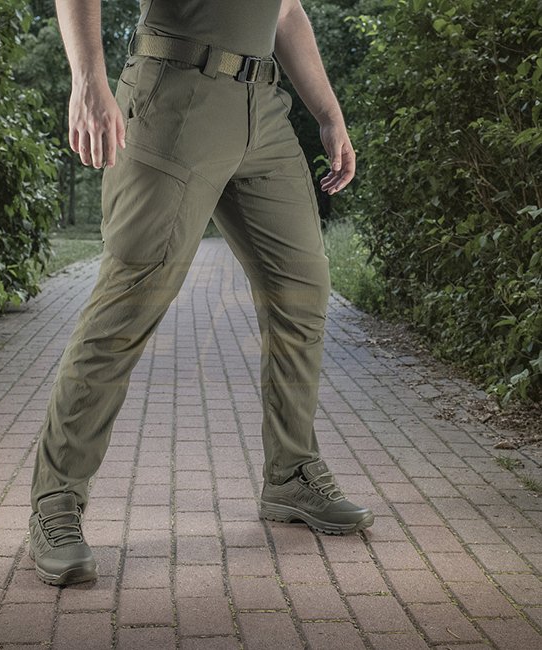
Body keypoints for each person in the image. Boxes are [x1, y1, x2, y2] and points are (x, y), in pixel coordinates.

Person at [28, 0, 374, 586]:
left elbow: (286, 10)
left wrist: (329, 112)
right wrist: (87, 79)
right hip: (175, 97)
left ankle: (291, 472)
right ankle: (56, 500)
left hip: (263, 111)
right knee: (129, 302)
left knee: (303, 289)